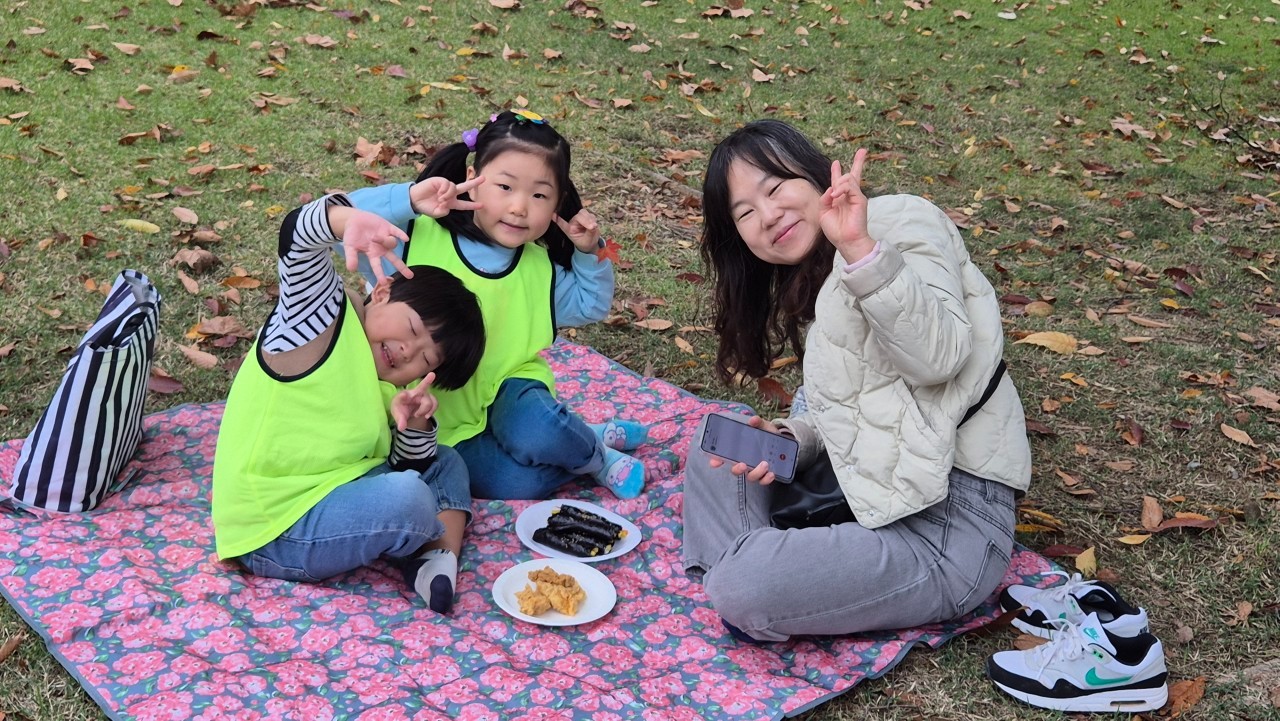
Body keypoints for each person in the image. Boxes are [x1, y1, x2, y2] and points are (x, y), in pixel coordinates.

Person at [682, 119, 1033, 643]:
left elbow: (938, 359)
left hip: (946, 525)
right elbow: (861, 404)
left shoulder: (900, 221)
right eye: (745, 214)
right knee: (715, 447)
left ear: (814, 175)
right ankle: (768, 573)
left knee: (743, 583)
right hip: (872, 486)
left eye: (774, 189)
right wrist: (791, 440)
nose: (768, 216)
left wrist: (861, 250)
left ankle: (753, 578)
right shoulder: (815, 277)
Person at [343, 109, 647, 501]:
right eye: (505, 186)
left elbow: (592, 305)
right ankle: (583, 435)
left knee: (542, 432)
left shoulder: (540, 269)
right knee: (520, 484)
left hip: (510, 389)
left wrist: (590, 252)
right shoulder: (414, 238)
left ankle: (595, 455)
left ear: (557, 203)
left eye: (539, 195)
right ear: (472, 179)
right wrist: (410, 199)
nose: (520, 207)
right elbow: (346, 219)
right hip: (431, 417)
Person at [212, 191, 486, 614]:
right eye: (412, 328)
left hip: (335, 495)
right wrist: (344, 221)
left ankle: (436, 561)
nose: (407, 352)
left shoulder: (387, 387)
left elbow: (404, 466)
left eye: (426, 359)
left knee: (446, 460)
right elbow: (296, 241)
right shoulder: (318, 323)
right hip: (275, 529)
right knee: (409, 498)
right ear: (383, 291)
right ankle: (421, 542)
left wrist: (414, 427)